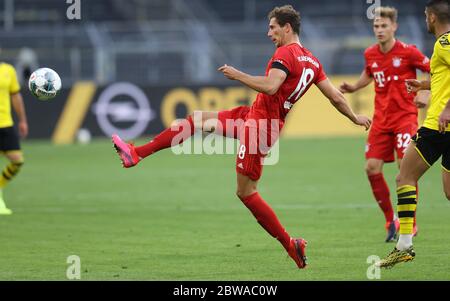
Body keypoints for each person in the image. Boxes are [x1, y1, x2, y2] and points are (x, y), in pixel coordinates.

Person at [112, 5, 371, 269]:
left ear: (287, 28)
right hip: (254, 117)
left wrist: (237, 75)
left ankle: (290, 244)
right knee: (195, 121)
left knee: (246, 193)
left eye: (273, 27)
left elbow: (271, 86)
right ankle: (137, 153)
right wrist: (354, 117)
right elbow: (335, 96)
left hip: (260, 127)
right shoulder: (313, 61)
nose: (269, 32)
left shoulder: (286, 53)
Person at [339, 6, 430, 242]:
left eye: (383, 26)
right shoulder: (370, 53)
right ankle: (391, 219)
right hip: (381, 120)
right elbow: (369, 73)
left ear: (394, 27)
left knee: (405, 169)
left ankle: (411, 223)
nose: (379, 30)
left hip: (405, 118)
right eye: (376, 26)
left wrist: (425, 93)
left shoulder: (409, 52)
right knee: (371, 168)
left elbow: (436, 71)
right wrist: (354, 87)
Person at [377, 0, 450, 268]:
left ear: (432, 17)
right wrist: (424, 83)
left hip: (437, 127)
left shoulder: (444, 43)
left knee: (404, 176)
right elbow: (446, 76)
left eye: (425, 16)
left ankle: (404, 245)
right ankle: (404, 245)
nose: (425, 20)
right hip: (442, 127)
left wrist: (447, 109)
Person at [0, 57, 28, 215]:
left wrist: (23, 120)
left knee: (17, 160)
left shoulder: (8, 70)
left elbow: (16, 96)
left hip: (5, 123)